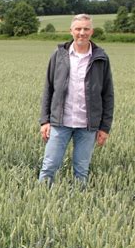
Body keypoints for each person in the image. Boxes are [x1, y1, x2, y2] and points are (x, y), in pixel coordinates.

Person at [39, 14, 114, 185]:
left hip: (87, 126)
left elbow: (108, 95)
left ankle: (79, 204)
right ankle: (40, 200)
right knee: (49, 166)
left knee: (81, 170)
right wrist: (45, 120)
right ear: (71, 31)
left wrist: (105, 127)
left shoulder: (101, 58)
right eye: (78, 29)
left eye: (86, 29)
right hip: (60, 123)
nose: (82, 32)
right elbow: (48, 88)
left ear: (92, 31)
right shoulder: (59, 55)